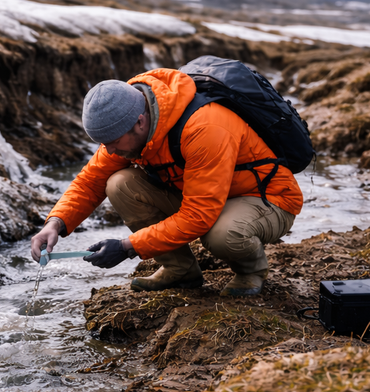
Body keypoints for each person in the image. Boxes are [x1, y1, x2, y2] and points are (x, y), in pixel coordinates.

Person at [29, 67, 303, 297]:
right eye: (104, 143)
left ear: (139, 122)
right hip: (204, 193)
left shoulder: (205, 128)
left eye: (113, 143)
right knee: (119, 183)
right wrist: (55, 223)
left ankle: (250, 271)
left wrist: (128, 247)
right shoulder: (127, 126)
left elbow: (198, 216)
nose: (109, 151)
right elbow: (91, 181)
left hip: (265, 197)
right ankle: (180, 270)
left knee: (222, 234)